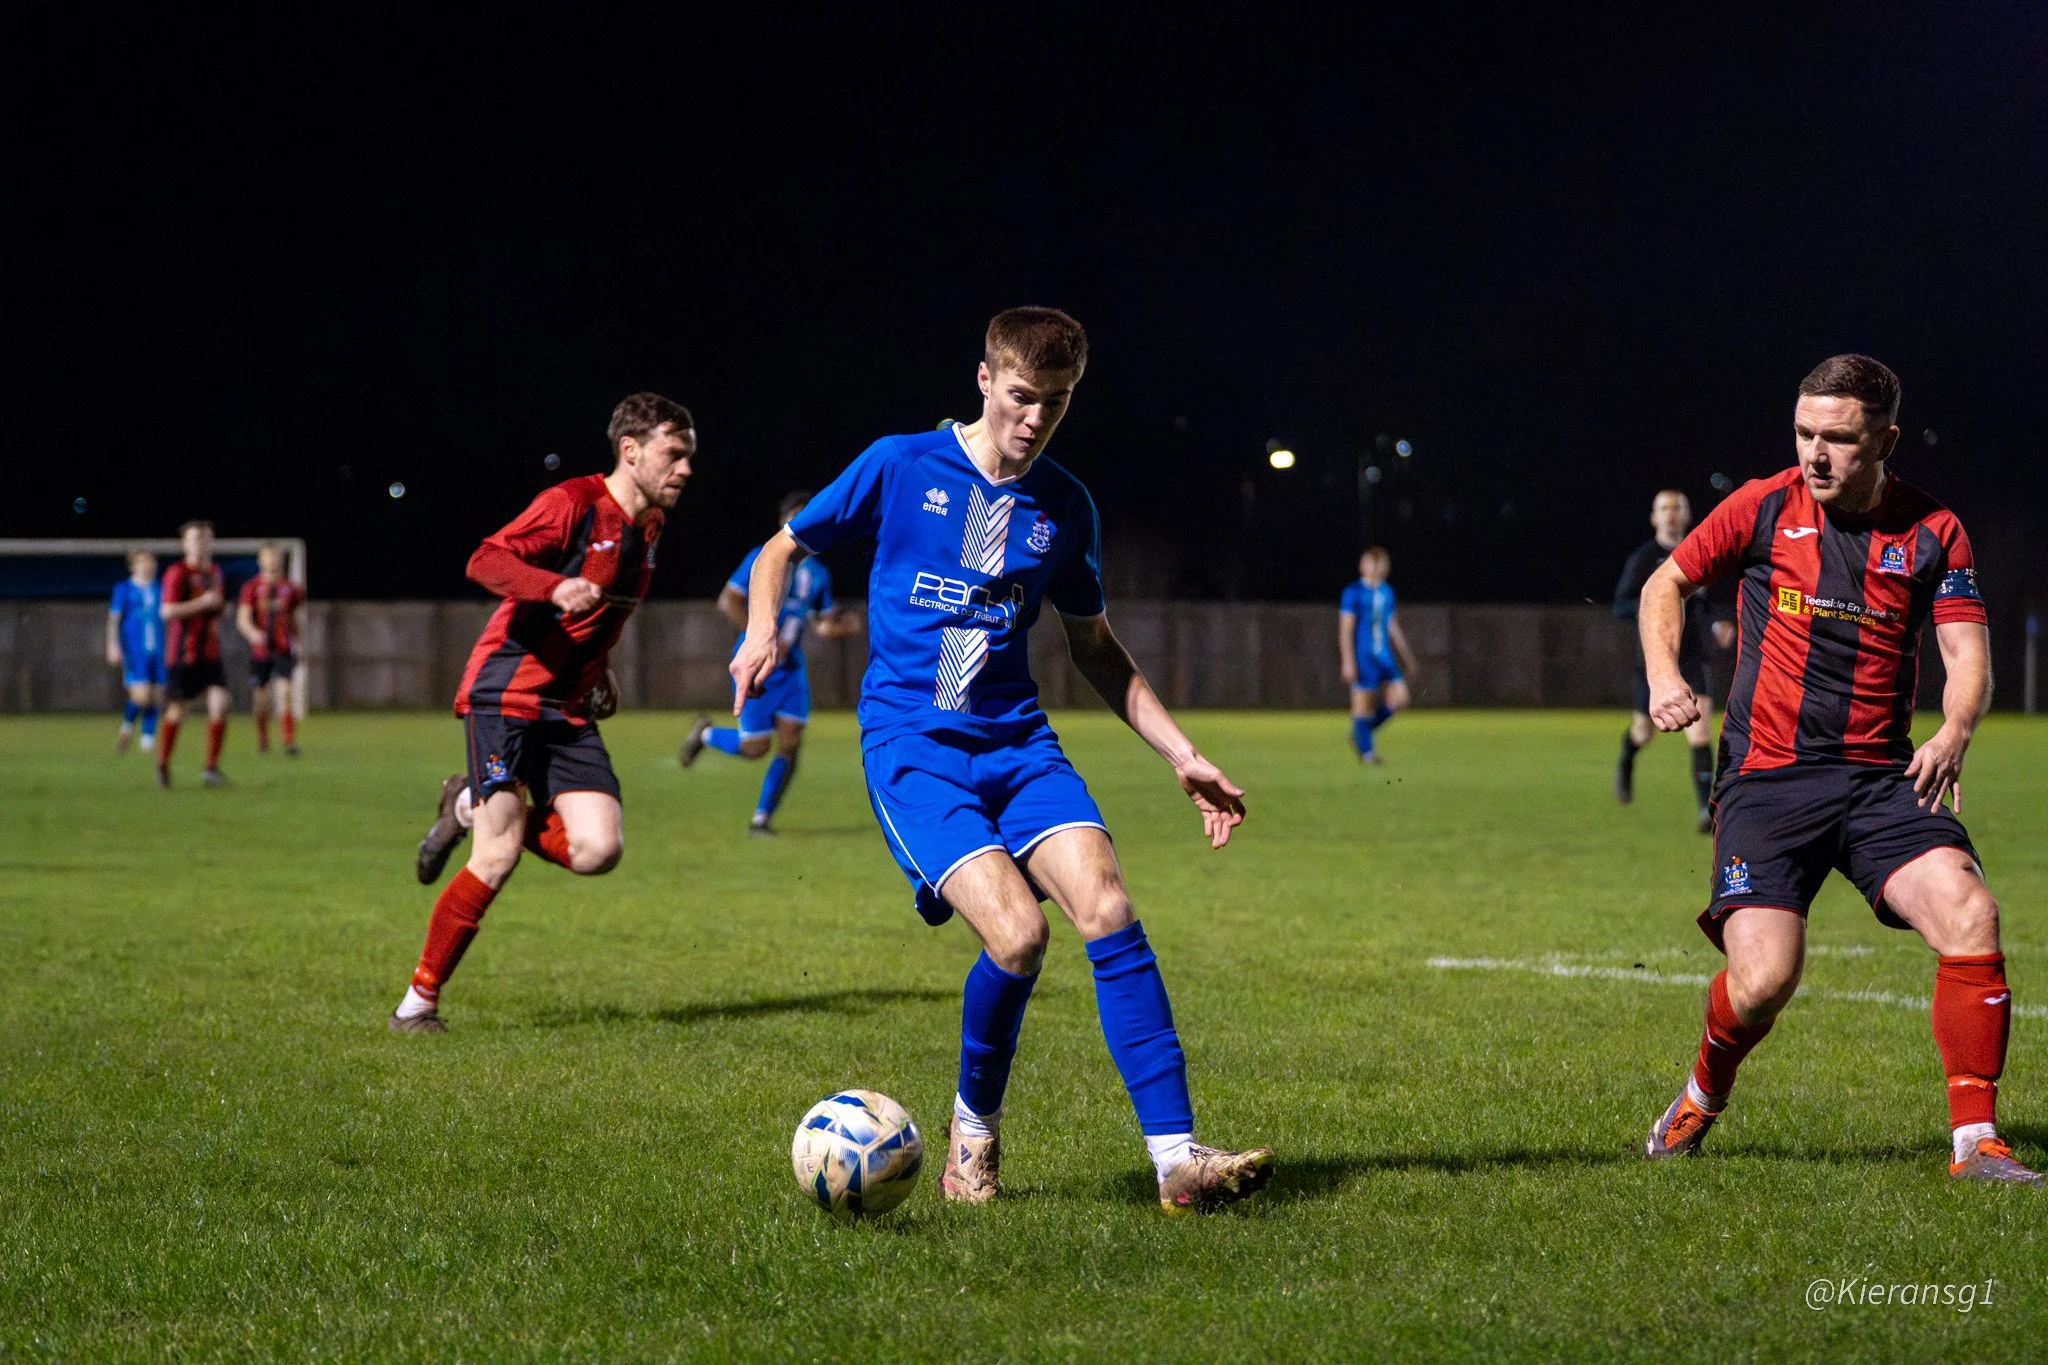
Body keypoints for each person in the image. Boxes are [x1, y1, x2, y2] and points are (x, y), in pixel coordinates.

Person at [732, 307, 1272, 1214]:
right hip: (913, 744)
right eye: (1023, 396)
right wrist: (759, 633)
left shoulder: (1064, 504)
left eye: (1056, 404)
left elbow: (1096, 647)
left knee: (1107, 905)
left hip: (1019, 741)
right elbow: (783, 548)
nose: (1035, 419)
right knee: (1019, 937)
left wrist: (1183, 754)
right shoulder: (900, 465)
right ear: (984, 381)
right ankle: (971, 1137)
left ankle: (1177, 1159)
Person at [1640, 354, 2035, 1183]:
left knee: (1971, 913)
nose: (1816, 454)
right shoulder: (1761, 506)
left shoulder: (1934, 531)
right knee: (1763, 981)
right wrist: (1666, 677)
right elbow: (1664, 584)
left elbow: (1969, 654)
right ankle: (1702, 1092)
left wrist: (1956, 727)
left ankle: (1976, 1142)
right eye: (1804, 433)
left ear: (1886, 440)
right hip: (1767, 782)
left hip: (1879, 781)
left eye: (1840, 439)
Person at [394, 393, 696, 1033]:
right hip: (505, 692)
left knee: (598, 849)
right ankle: (417, 1005)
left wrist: (602, 671)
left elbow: (604, 616)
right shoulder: (573, 504)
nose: (686, 468)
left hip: (568, 705)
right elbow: (485, 559)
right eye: (674, 453)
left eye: (689, 456)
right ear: (631, 450)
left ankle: (467, 804)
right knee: (497, 855)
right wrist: (553, 585)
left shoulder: (650, 528)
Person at [679, 490, 863, 835]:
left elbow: (820, 625)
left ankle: (761, 819)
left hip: (791, 669)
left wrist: (841, 626)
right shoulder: (764, 557)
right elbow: (728, 601)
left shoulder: (819, 574)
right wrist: (761, 633)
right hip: (758, 664)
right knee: (755, 748)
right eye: (798, 516)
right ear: (784, 522)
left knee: (791, 742)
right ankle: (705, 733)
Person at [1613, 491, 1734, 830]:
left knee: (1700, 732)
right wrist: (1656, 603)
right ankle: (1627, 760)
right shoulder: (1644, 558)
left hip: (1694, 657)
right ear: (1654, 518)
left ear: (1687, 515)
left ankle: (1703, 811)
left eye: (1677, 507)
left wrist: (1719, 624)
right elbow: (1620, 605)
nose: (1670, 514)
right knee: (1644, 732)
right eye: (1663, 508)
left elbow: (1711, 605)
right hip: (1654, 661)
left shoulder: (1700, 554)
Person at [157, 521, 231, 788]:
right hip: (182, 654)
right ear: (185, 544)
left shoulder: (215, 573)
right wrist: (201, 603)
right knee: (178, 710)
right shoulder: (177, 572)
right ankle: (163, 764)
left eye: (206, 539)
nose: (202, 543)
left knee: (220, 702)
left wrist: (221, 609)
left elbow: (214, 607)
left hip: (209, 653)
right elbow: (166, 612)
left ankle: (211, 769)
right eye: (196, 539)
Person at [1338, 546, 1418, 763]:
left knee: (1401, 699)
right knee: (1361, 706)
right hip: (1363, 656)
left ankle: (1361, 735)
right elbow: (1346, 628)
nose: (1375, 567)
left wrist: (1406, 656)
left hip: (1384, 656)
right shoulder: (1353, 592)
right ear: (1363, 565)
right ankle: (1367, 753)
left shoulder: (1386, 592)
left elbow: (1392, 627)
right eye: (1371, 562)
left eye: (1380, 563)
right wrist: (1347, 661)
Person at [236, 543, 305, 756]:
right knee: (261, 698)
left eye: (276, 556)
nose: (273, 560)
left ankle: (288, 741)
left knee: (285, 693)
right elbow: (242, 619)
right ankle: (263, 739)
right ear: (260, 560)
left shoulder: (290, 588)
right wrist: (253, 634)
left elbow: (293, 618)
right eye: (268, 556)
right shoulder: (252, 587)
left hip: (283, 649)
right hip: (260, 652)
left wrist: (299, 642)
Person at [106, 548, 163, 753]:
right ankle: (127, 727)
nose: (148, 565)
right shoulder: (124, 589)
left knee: (156, 696)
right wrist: (113, 645)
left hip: (159, 650)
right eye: (143, 561)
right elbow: (114, 620)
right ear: (133, 566)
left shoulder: (160, 589)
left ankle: (147, 742)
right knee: (141, 696)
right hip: (134, 651)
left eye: (151, 561)